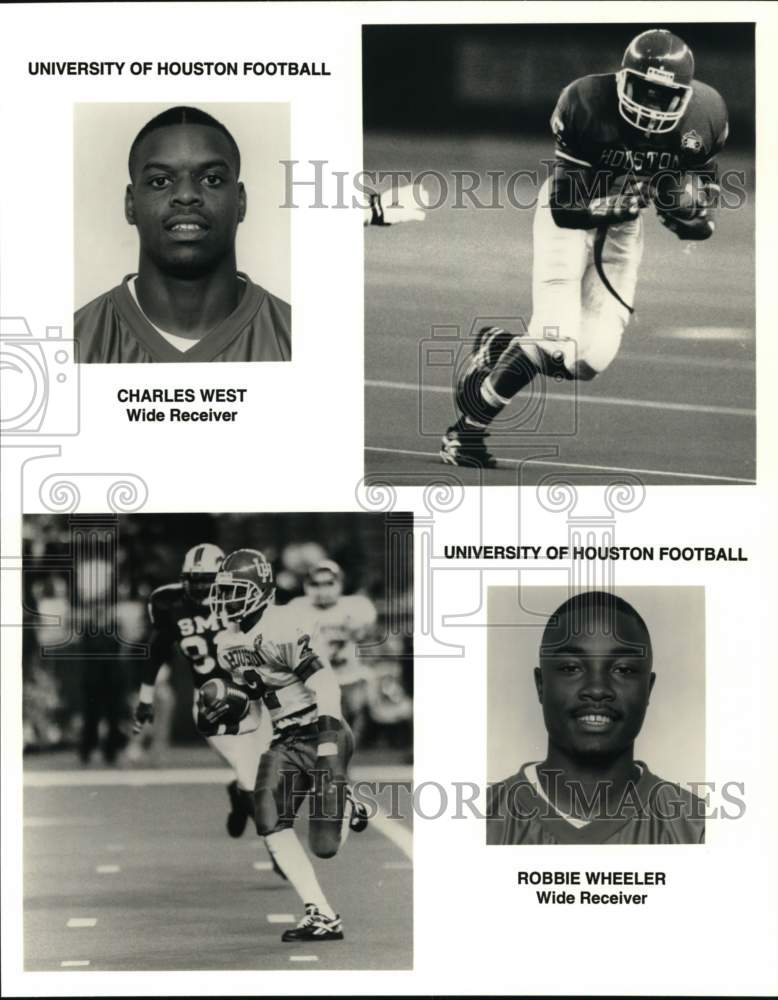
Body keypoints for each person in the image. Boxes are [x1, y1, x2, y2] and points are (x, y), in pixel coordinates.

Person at [441, 29, 729, 467]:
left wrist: (692, 220)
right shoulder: (586, 101)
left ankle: (500, 349)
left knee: (590, 358)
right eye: (642, 89)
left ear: (686, 97)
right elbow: (564, 210)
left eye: (662, 95)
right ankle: (465, 433)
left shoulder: (705, 115)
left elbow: (700, 210)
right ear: (622, 78)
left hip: (622, 227)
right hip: (574, 209)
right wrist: (612, 204)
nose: (650, 103)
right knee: (554, 338)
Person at [208, 548, 368, 942]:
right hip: (285, 735)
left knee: (325, 847)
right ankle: (322, 913)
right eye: (223, 592)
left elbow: (325, 684)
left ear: (260, 590)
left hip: (320, 729)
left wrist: (329, 747)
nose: (225, 601)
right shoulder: (227, 645)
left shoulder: (285, 623)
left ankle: (347, 805)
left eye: (235, 591)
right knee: (267, 817)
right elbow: (257, 713)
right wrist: (228, 723)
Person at [486, 591, 705, 845]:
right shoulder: (481, 823)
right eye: (571, 668)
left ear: (649, 688)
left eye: (623, 669)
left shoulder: (697, 829)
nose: (598, 689)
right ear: (541, 685)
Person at [75, 105, 291, 363]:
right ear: (130, 205)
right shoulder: (74, 344)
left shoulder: (296, 339)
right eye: (160, 181)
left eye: (211, 179)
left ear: (241, 202)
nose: (186, 196)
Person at [132, 543, 274, 844]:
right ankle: (276, 845)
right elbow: (157, 650)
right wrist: (145, 697)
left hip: (255, 698)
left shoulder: (239, 598)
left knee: (265, 770)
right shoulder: (170, 603)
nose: (199, 588)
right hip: (213, 701)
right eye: (193, 581)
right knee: (250, 774)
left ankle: (239, 796)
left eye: (205, 581)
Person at [287, 560, 378, 744]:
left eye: (329, 583)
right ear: (306, 586)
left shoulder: (357, 606)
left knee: (349, 721)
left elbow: (370, 640)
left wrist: (357, 632)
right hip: (315, 678)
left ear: (340, 584)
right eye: (316, 584)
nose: (323, 590)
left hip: (349, 675)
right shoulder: (296, 608)